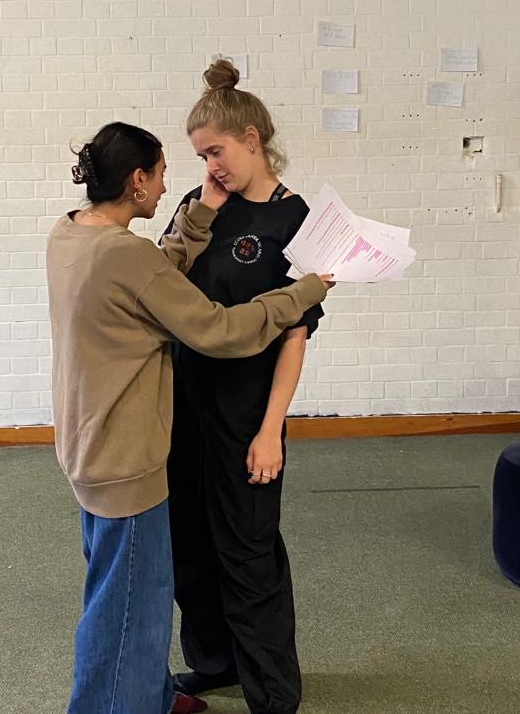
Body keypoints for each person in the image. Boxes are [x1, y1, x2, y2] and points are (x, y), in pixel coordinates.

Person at [46, 121, 332, 714]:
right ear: (137, 180)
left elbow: (153, 273)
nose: (170, 182)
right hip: (126, 455)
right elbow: (220, 330)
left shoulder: (70, 233)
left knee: (132, 587)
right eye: (164, 172)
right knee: (128, 603)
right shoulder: (126, 256)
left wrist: (199, 215)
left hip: (86, 443)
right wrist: (304, 290)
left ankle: (150, 694)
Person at [166, 60, 322, 714]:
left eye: (218, 151)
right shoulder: (197, 206)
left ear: (252, 139)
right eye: (201, 155)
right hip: (180, 408)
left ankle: (273, 695)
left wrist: (270, 431)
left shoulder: (296, 218)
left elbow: (295, 334)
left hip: (247, 411)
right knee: (189, 546)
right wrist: (204, 204)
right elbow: (161, 287)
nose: (212, 165)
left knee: (249, 556)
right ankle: (214, 661)